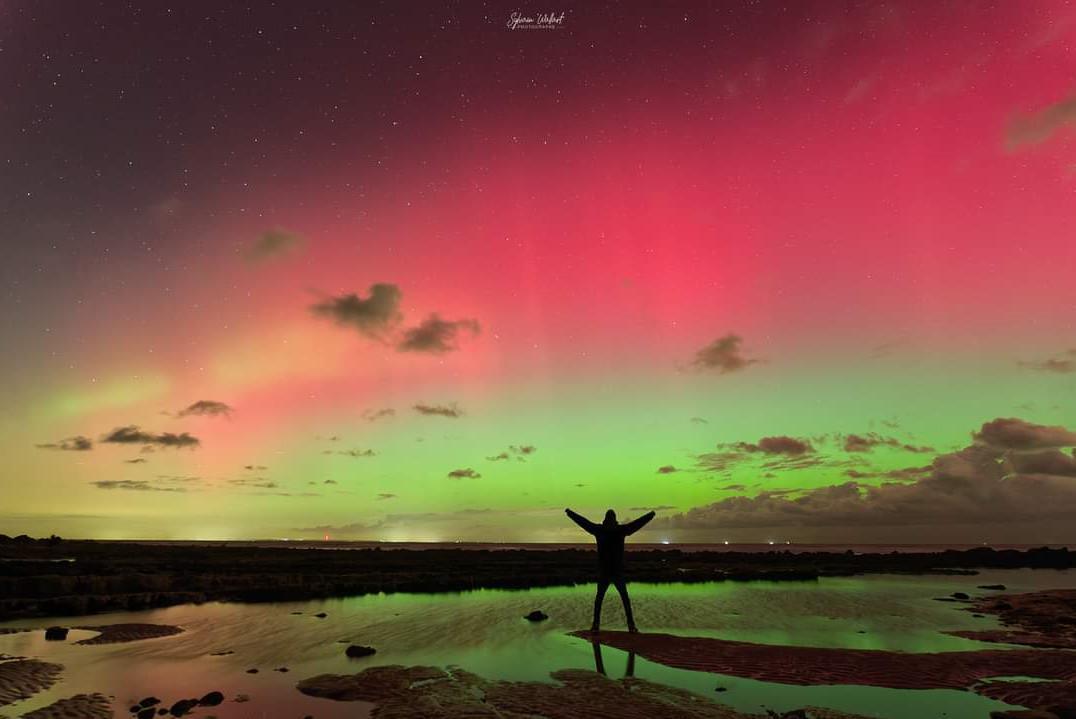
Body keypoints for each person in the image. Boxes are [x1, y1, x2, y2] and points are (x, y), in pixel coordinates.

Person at [564, 507, 656, 633]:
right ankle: (631, 626)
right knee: (624, 599)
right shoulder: (620, 530)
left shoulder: (600, 530)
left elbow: (584, 523)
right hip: (616, 571)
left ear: (605, 519)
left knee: (600, 599)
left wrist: (570, 514)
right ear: (614, 519)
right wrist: (650, 516)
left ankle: (596, 625)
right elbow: (636, 524)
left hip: (605, 571)